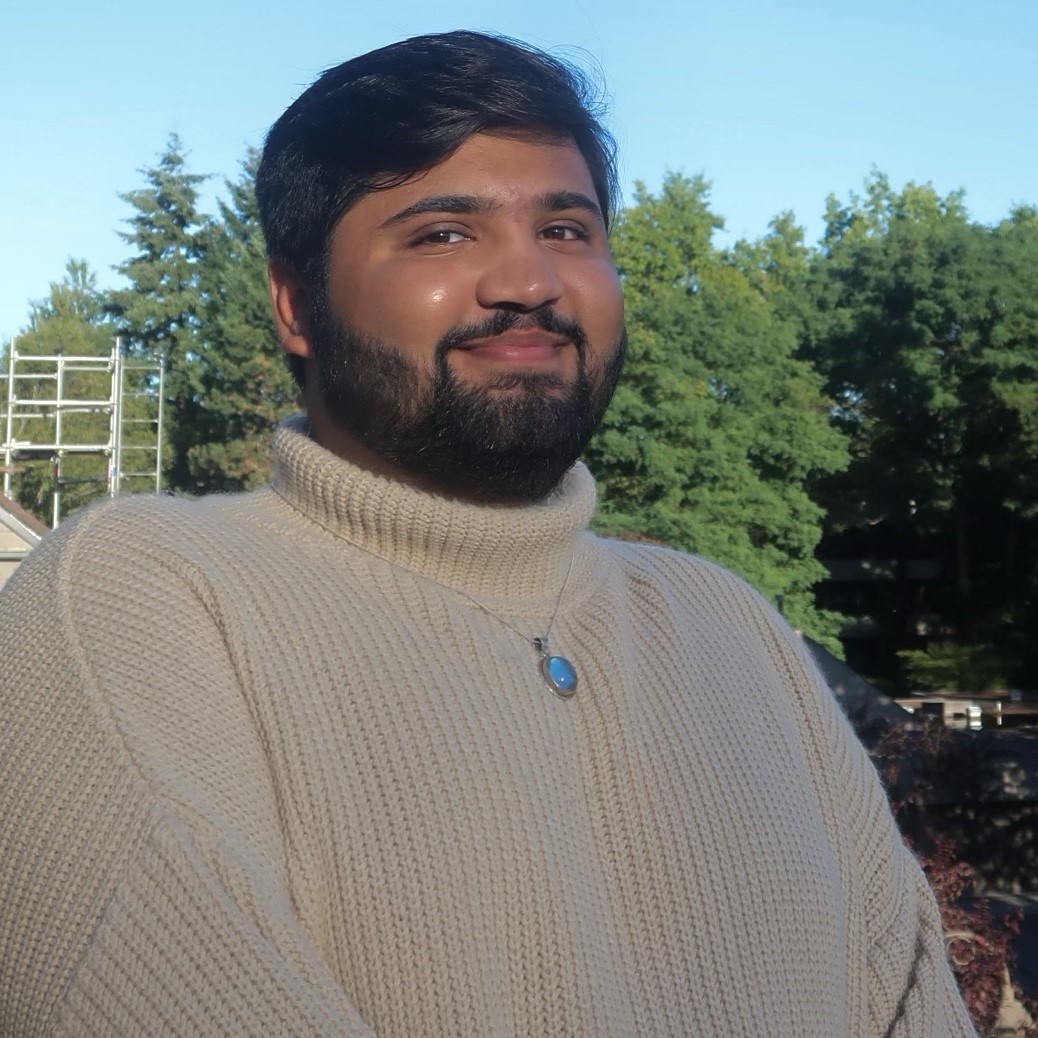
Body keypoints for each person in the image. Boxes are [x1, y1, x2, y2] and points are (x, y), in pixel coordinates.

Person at [0, 31, 975, 1038]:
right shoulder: (144, 599)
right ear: (296, 304)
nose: (528, 281)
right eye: (444, 234)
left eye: (566, 228)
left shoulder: (731, 630)